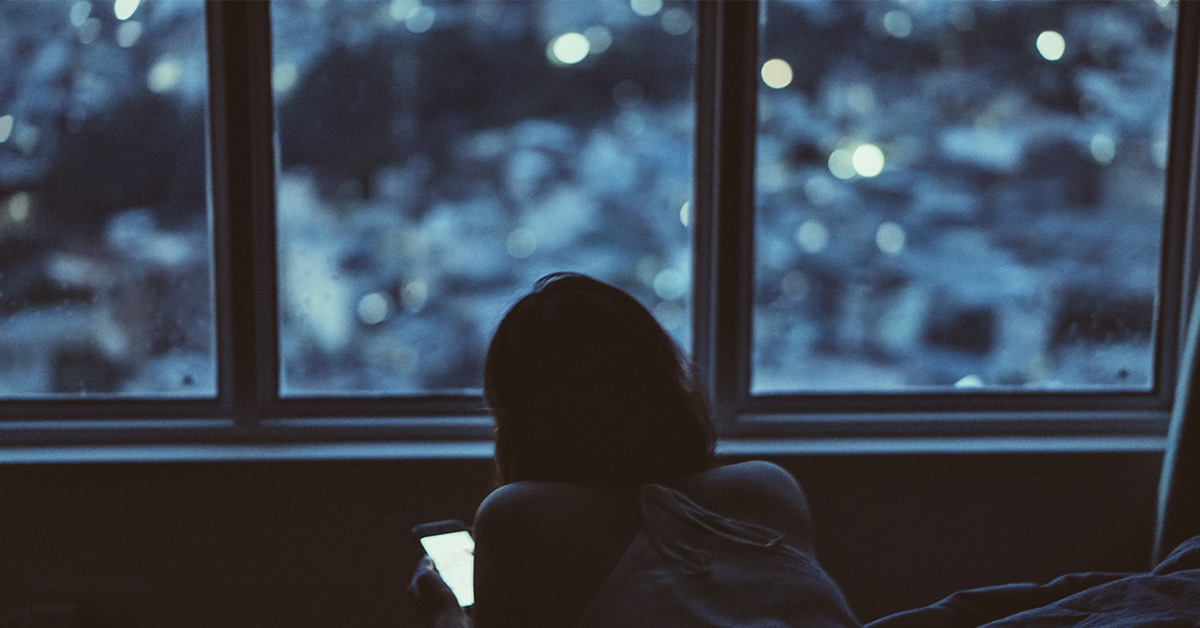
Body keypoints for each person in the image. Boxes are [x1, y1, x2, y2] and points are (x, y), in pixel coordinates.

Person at [410, 272, 859, 628]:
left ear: (517, 421)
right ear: (665, 384)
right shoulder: (768, 487)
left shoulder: (520, 514)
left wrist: (447, 617)